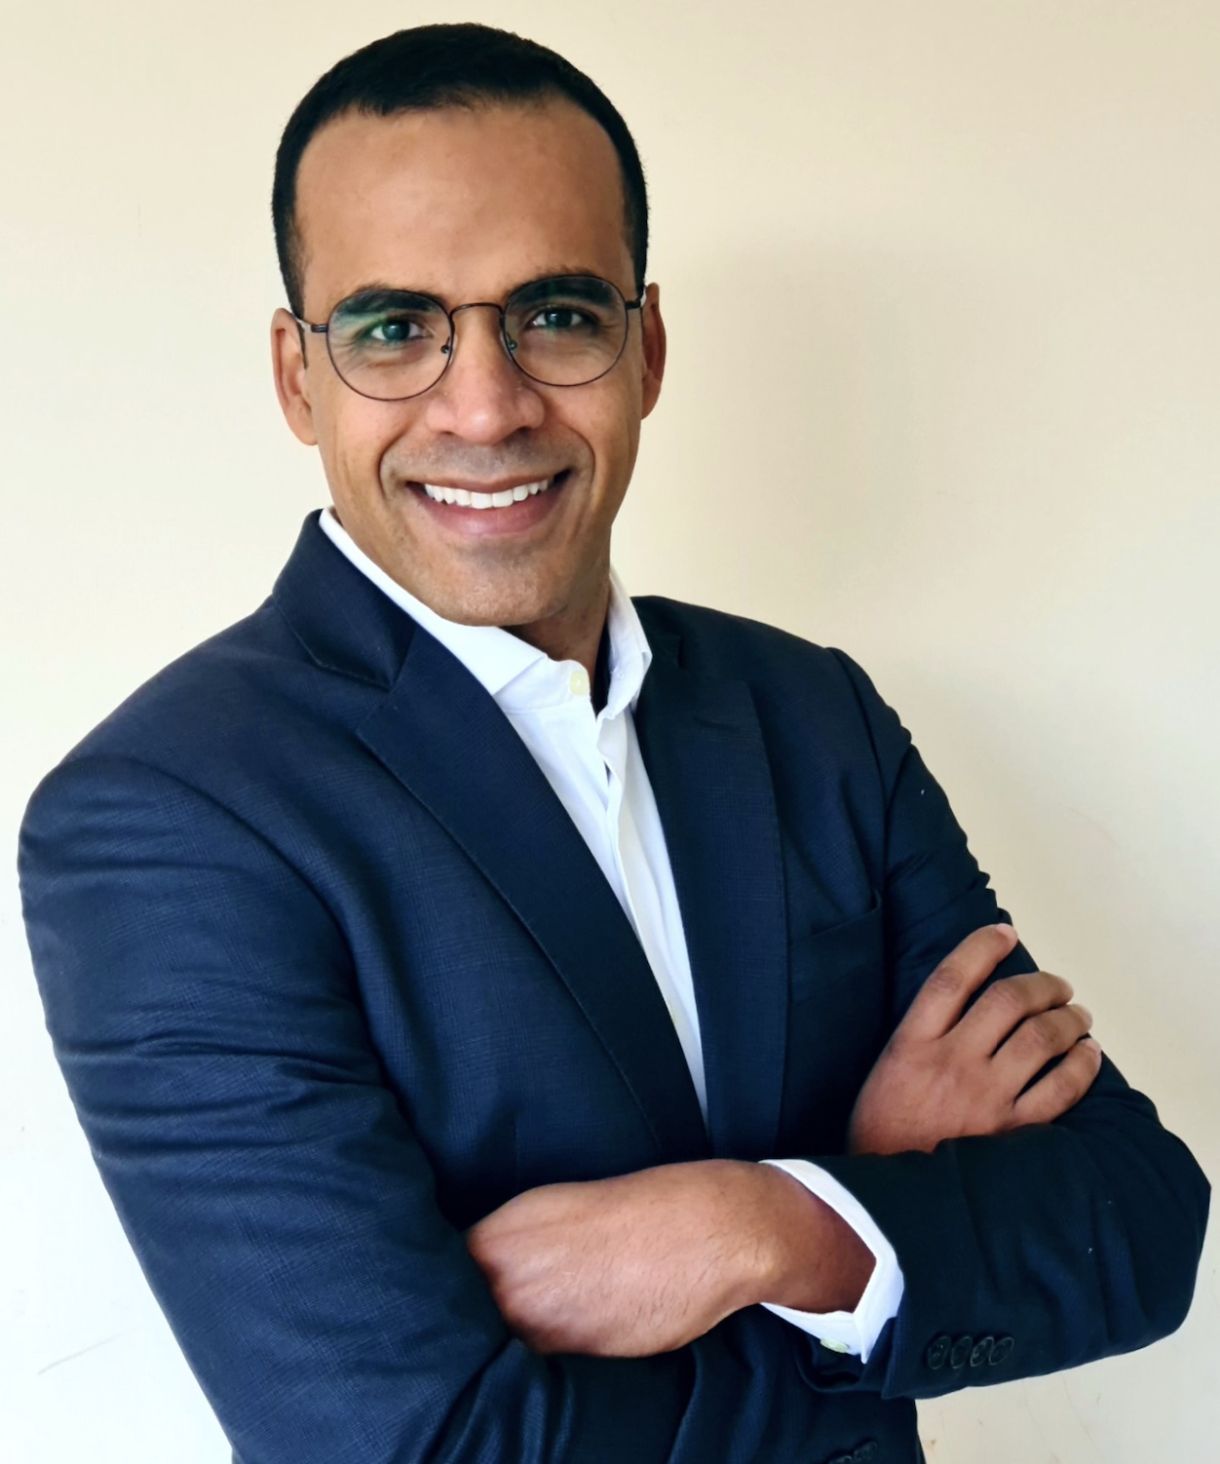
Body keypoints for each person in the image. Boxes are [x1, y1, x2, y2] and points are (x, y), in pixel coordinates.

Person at [18, 22, 1207, 1464]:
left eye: (555, 316)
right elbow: (416, 1446)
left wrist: (760, 1221)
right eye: (397, 328)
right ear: (298, 377)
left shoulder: (811, 715)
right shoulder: (166, 815)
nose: (486, 406)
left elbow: (1138, 1228)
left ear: (644, 349)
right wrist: (872, 1199)